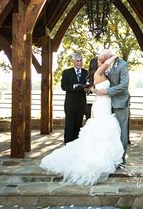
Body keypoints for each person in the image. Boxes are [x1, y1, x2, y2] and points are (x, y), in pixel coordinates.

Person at [40, 55, 124, 185]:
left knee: (96, 129)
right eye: (100, 60)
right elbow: (107, 63)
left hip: (97, 104)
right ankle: (88, 152)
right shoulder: (95, 72)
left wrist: (92, 89)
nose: (102, 61)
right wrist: (114, 55)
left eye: (81, 61)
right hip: (92, 104)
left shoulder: (94, 73)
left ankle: (100, 153)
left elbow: (92, 87)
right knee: (92, 128)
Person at [94, 49, 130, 164]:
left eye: (101, 59)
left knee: (121, 131)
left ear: (107, 58)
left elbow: (124, 85)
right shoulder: (105, 65)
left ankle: (121, 159)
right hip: (107, 104)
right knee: (111, 131)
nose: (99, 61)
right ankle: (110, 156)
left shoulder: (122, 65)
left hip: (120, 102)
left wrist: (107, 91)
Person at [61, 52, 88, 144]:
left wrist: (87, 89)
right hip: (70, 104)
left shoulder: (86, 72)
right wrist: (74, 86)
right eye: (77, 61)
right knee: (69, 125)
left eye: (81, 61)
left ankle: (76, 144)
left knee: (78, 125)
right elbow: (63, 86)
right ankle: (67, 144)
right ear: (73, 61)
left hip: (81, 104)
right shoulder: (67, 72)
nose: (79, 63)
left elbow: (89, 87)